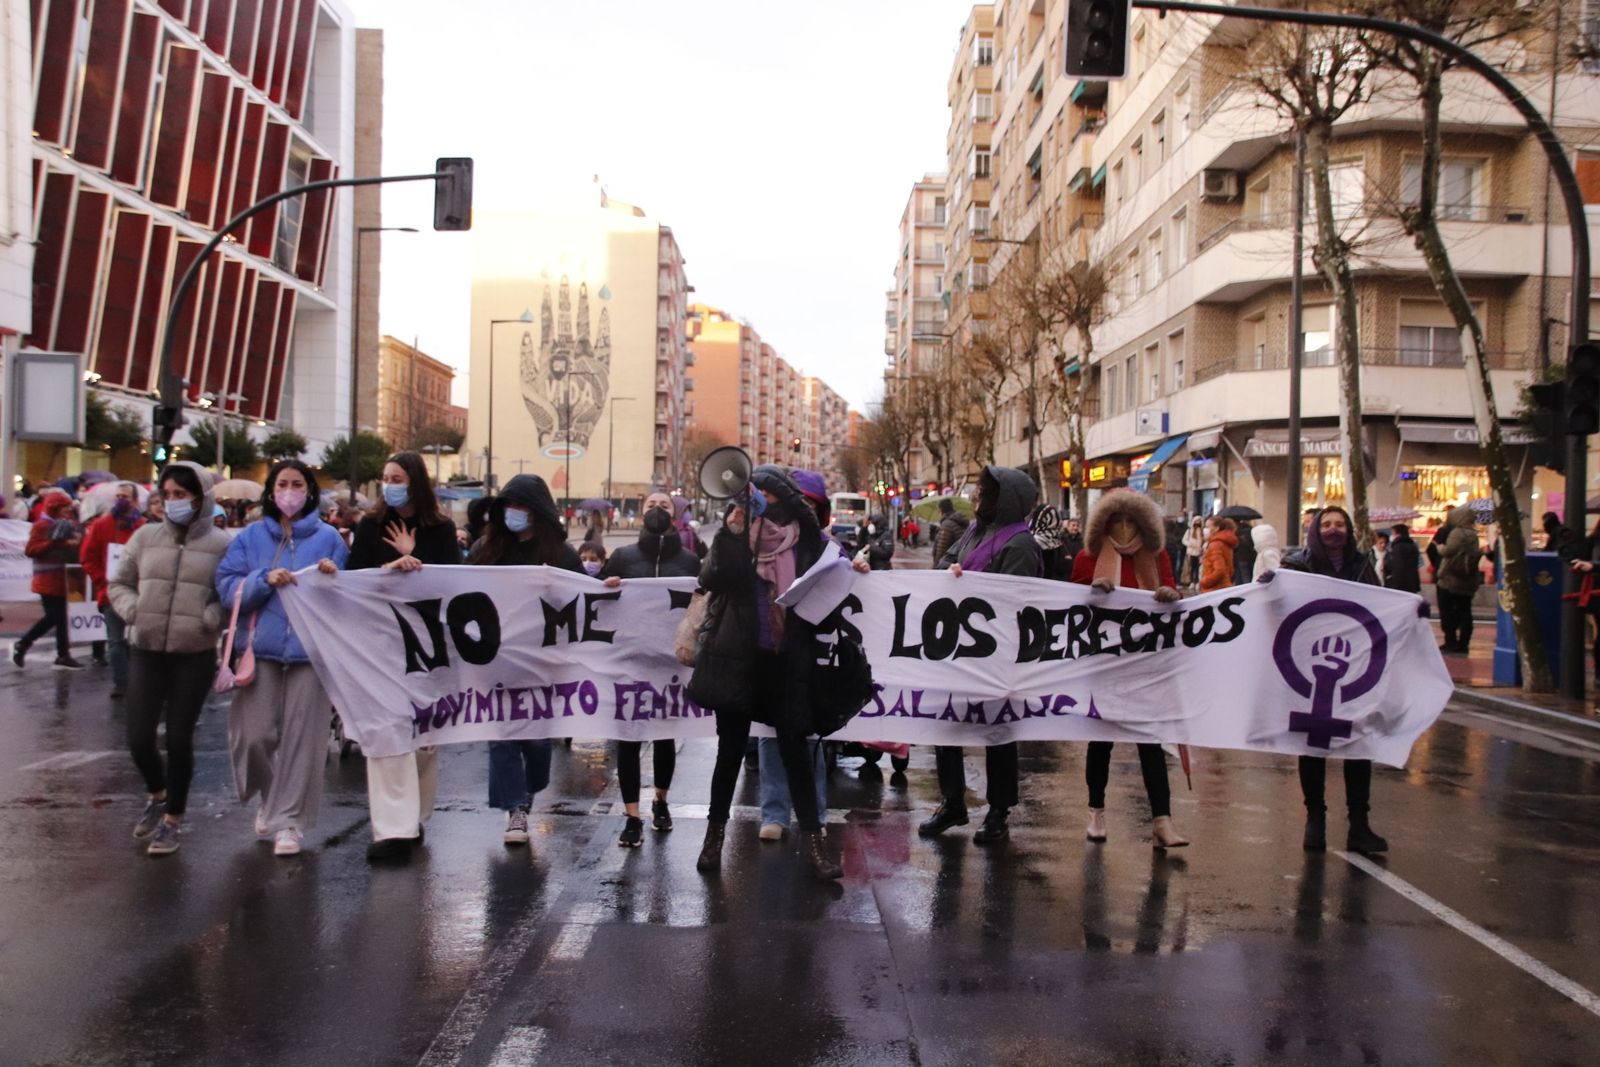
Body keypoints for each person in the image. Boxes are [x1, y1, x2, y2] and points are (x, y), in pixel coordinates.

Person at [691, 465, 844, 881]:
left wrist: (856, 574)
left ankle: (816, 845)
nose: (761, 506)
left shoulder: (806, 539)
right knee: (729, 754)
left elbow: (833, 580)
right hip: (736, 660)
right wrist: (731, 532)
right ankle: (713, 840)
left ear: (783, 501)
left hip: (785, 662)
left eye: (767, 499)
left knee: (795, 751)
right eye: (754, 498)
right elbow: (710, 578)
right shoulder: (740, 537)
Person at [215, 461, 349, 857]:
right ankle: (271, 798)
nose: (289, 491)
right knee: (253, 736)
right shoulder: (250, 537)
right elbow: (227, 586)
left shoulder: (330, 538)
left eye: (297, 484)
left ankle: (288, 821)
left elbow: (346, 593)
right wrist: (261, 579)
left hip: (311, 652)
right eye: (282, 484)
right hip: (261, 650)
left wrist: (332, 576)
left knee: (304, 741)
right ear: (270, 491)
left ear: (309, 492)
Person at [342, 452, 461, 863]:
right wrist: (391, 566)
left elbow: (452, 584)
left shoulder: (441, 529)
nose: (389, 483)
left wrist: (417, 559)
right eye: (385, 476)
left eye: (397, 477)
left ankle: (416, 815)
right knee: (387, 732)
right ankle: (393, 829)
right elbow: (354, 577)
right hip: (379, 642)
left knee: (424, 738)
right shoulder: (370, 526)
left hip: (427, 645)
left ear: (415, 483)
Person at [110, 462, 230, 856]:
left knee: (179, 738)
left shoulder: (222, 544)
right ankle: (158, 793)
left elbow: (230, 594)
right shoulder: (144, 537)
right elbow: (119, 583)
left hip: (192, 654)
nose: (174, 502)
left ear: (200, 497)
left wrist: (207, 620)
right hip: (145, 648)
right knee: (139, 738)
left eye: (182, 494)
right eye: (168, 495)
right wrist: (135, 610)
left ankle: (172, 820)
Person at [919, 466, 1042, 844]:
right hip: (959, 648)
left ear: (1006, 500)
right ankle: (953, 801)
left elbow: (1013, 598)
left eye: (986, 493)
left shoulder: (1019, 544)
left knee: (997, 731)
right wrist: (951, 570)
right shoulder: (975, 530)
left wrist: (970, 585)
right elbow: (944, 563)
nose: (978, 499)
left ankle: (999, 810)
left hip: (995, 654)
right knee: (947, 723)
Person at [1071, 488, 1189, 849]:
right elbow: (1069, 605)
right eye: (1116, 520)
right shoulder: (1087, 558)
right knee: (1101, 742)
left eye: (1130, 520)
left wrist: (1171, 595)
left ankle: (1162, 820)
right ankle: (1096, 812)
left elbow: (1171, 592)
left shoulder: (1157, 556)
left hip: (1145, 664)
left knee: (1150, 743)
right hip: (1104, 663)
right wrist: (1092, 593)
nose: (1123, 527)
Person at [469, 475, 583, 847]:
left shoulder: (561, 555)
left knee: (535, 743)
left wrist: (608, 589)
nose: (514, 513)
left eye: (522, 506)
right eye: (509, 506)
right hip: (496, 657)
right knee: (502, 738)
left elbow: (584, 600)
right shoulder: (485, 550)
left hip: (542, 662)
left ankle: (529, 789)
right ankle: (515, 808)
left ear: (538, 511)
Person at [1279, 506, 1388, 855]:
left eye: (1339, 524)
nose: (1333, 529)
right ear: (1315, 529)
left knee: (1359, 743)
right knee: (1312, 743)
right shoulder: (1296, 565)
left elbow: (1383, 606)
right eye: (1326, 524)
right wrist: (1271, 587)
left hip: (1356, 667)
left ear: (1349, 530)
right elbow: (1279, 605)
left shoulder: (1363, 565)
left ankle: (1359, 825)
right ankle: (1315, 820)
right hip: (1307, 666)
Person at [599, 491, 700, 847]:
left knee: (664, 736)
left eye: (665, 507)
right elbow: (598, 602)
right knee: (627, 739)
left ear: (676, 515)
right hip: (630, 662)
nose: (657, 511)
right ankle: (631, 817)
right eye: (651, 507)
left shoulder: (690, 561)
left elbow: (704, 603)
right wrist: (606, 586)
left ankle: (660, 801)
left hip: (670, 665)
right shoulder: (623, 557)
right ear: (641, 514)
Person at [753, 470, 839, 841]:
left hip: (808, 653)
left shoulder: (820, 545)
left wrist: (862, 571)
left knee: (810, 736)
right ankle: (774, 813)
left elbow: (844, 575)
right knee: (770, 735)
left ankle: (814, 813)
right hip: (765, 648)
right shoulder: (754, 539)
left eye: (810, 503)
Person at [80, 481, 146, 696]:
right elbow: (87, 557)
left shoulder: (144, 528)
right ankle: (122, 682)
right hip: (109, 593)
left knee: (139, 642)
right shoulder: (101, 526)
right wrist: (101, 580)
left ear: (135, 501)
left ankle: (140, 681)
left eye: (125, 496)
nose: (120, 500)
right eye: (118, 496)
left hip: (140, 593)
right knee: (116, 641)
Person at [14, 488, 83, 670]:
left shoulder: (65, 523)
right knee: (54, 617)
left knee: (60, 619)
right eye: (64, 508)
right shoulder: (42, 525)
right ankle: (24, 642)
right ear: (55, 508)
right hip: (46, 579)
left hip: (63, 579)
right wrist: (55, 543)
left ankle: (63, 654)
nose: (67, 511)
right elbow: (31, 550)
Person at [1433, 504, 1481, 654]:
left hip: (1450, 577)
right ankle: (1463, 642)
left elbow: (1448, 551)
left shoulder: (1457, 533)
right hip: (1467, 577)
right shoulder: (1473, 534)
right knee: (1465, 611)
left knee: (1447, 610)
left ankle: (1451, 641)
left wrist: (1439, 547)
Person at [1198, 516, 1238, 592]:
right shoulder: (1223, 542)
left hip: (1214, 588)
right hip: (1223, 585)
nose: (1205, 529)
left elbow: (1220, 570)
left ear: (1216, 528)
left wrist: (1205, 582)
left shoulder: (1215, 544)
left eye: (1207, 527)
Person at [1384, 524, 1422, 593]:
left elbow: (1396, 565)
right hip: (1412, 582)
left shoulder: (1397, 547)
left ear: (1399, 534)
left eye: (1393, 533)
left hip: (1399, 584)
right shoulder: (1412, 545)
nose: (1391, 535)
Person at [931, 497, 970, 562]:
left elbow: (941, 549)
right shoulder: (958, 521)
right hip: (957, 560)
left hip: (948, 563)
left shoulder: (947, 525)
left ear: (941, 509)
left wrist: (936, 567)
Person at [1181, 517, 1205, 587]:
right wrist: (1190, 544)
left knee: (1198, 568)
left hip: (1199, 552)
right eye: (1196, 521)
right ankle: (1191, 581)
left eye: (1199, 521)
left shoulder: (1202, 531)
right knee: (1191, 567)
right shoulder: (1189, 531)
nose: (1198, 523)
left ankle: (1197, 581)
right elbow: (1184, 540)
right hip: (1191, 552)